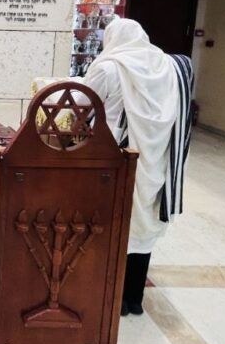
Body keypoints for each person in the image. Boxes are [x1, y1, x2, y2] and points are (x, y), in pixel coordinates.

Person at [81, 18, 194, 316]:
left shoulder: (109, 67)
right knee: (143, 223)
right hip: (159, 158)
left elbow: (82, 103)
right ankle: (134, 298)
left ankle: (113, 299)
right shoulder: (170, 67)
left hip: (117, 158)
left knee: (116, 223)